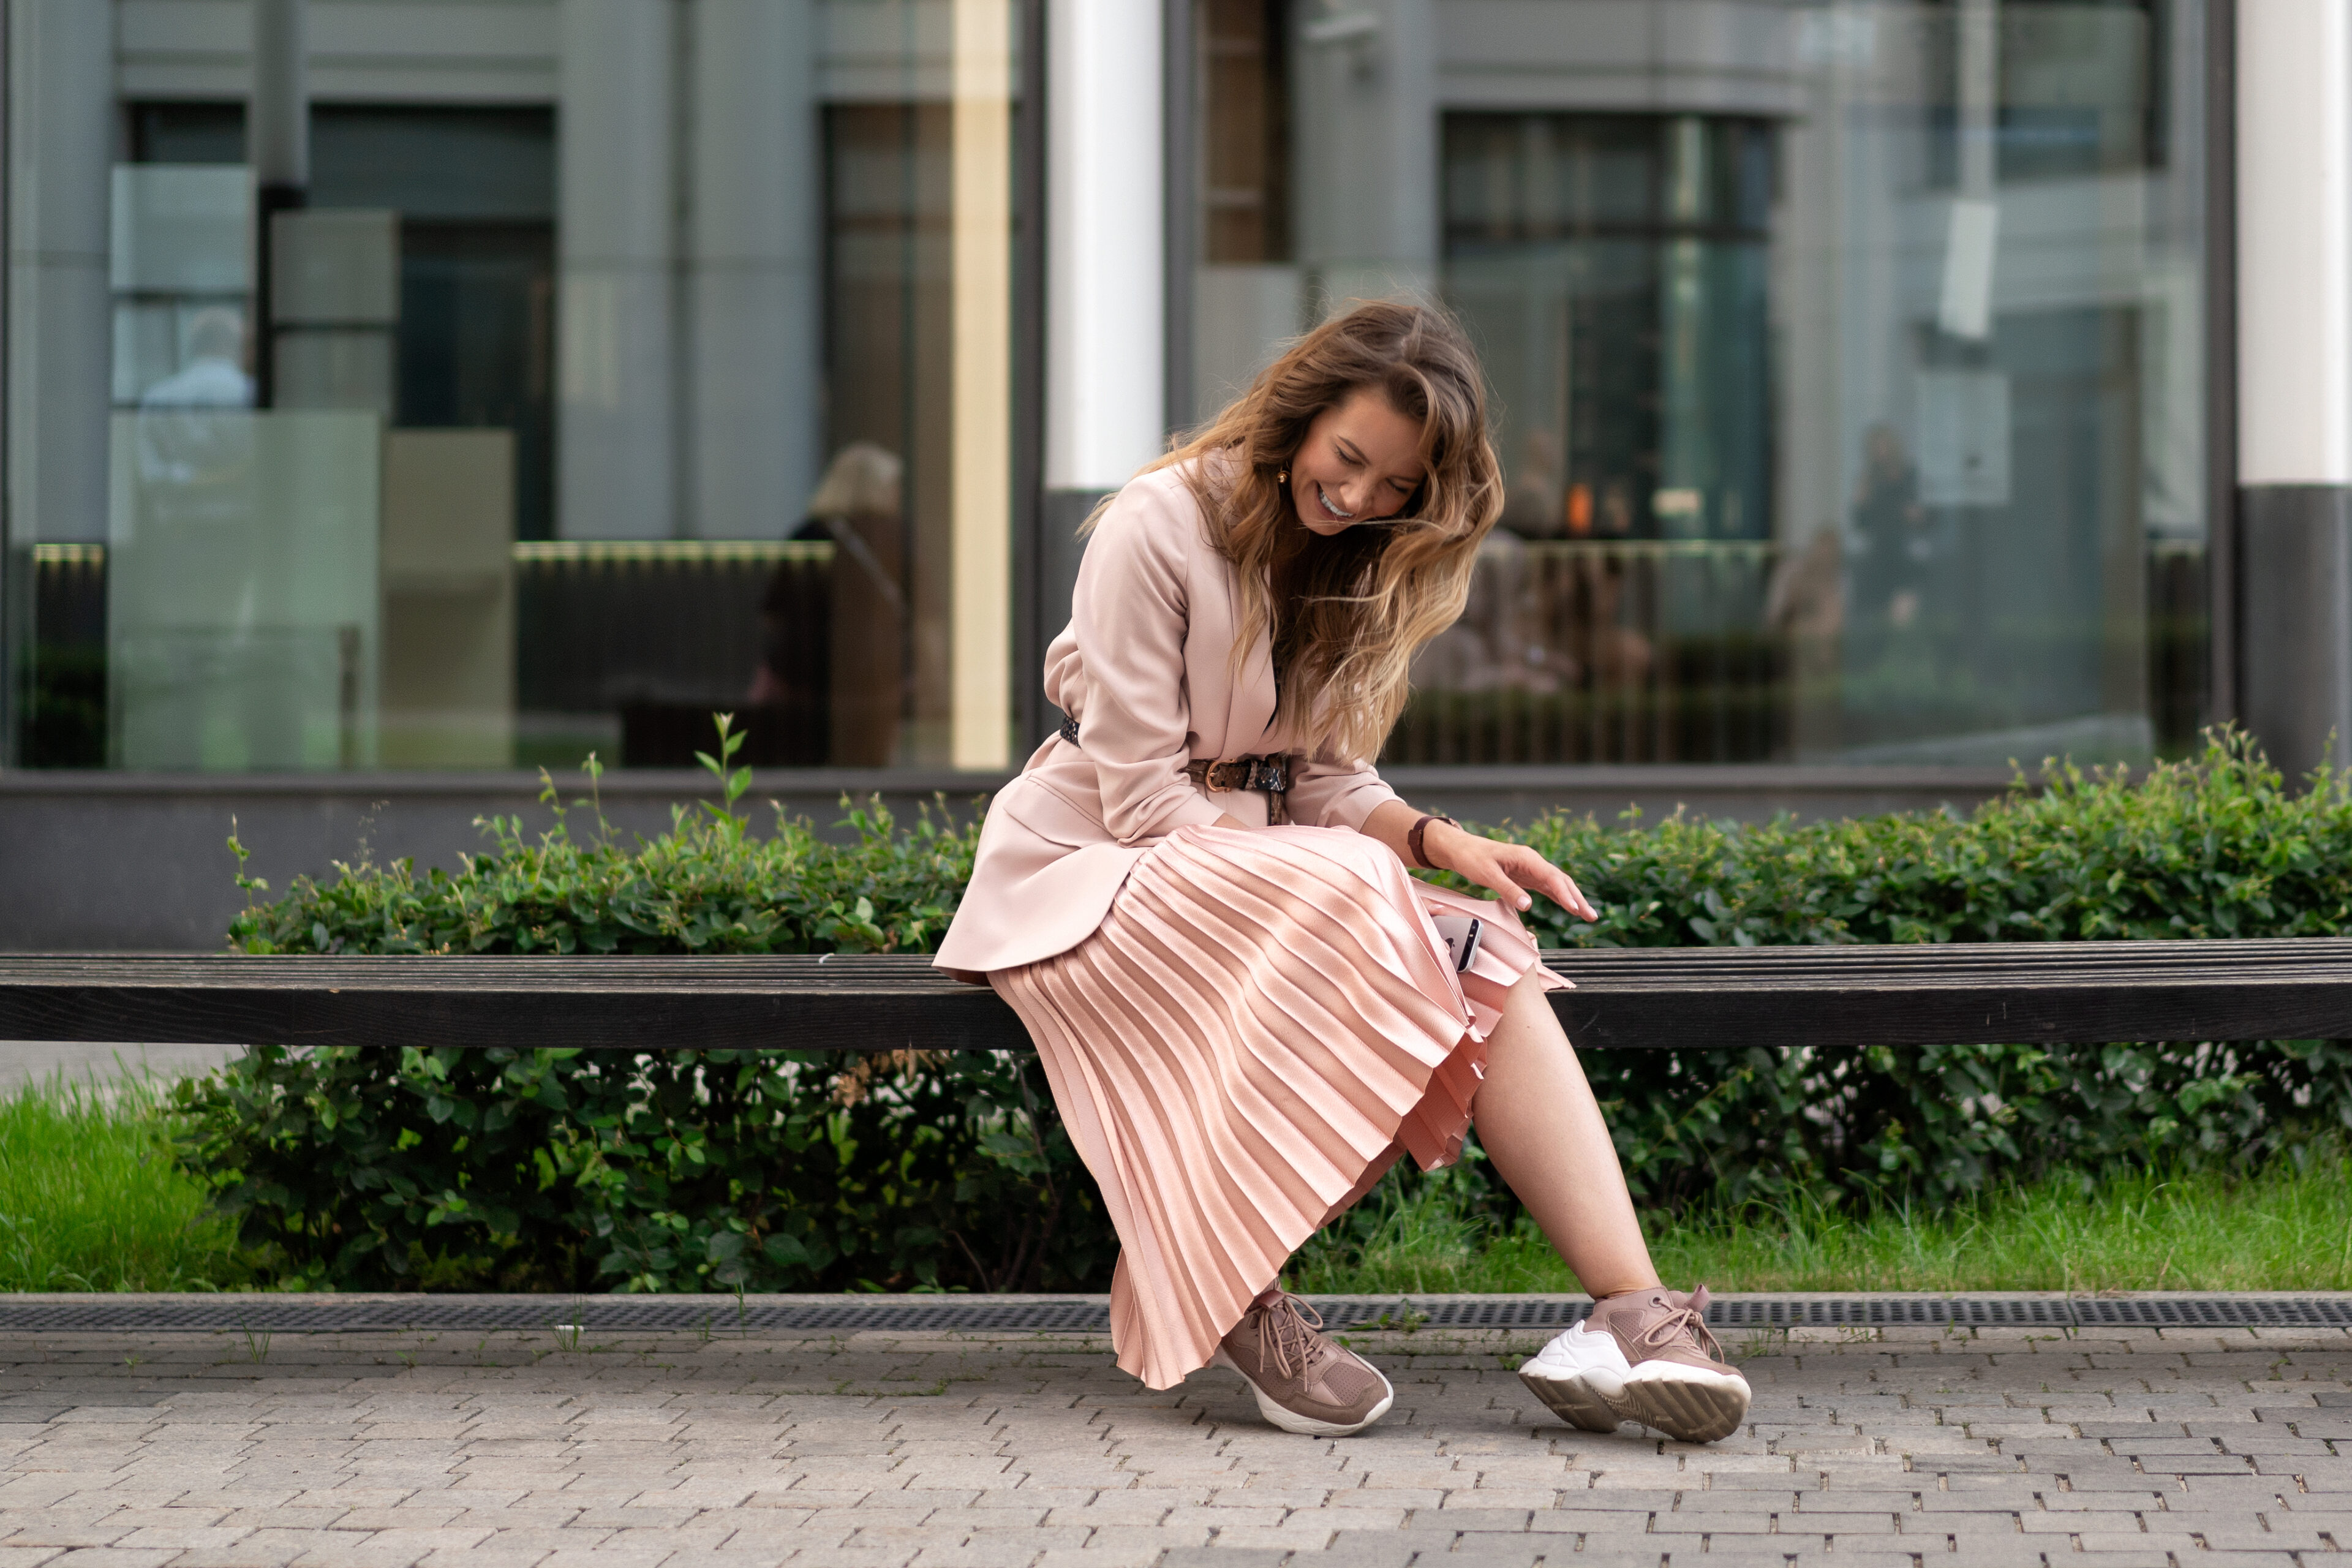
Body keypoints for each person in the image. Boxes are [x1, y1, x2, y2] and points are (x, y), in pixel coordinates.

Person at [933, 301, 1747, 1444]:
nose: (1362, 498)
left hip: (1257, 870)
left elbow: (1319, 777)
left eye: (1397, 486)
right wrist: (1351, 882)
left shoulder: (1356, 558)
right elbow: (1147, 801)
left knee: (1491, 951)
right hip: (1095, 871)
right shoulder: (1155, 526)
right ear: (1300, 414)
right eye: (1349, 460)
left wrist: (1432, 843)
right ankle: (1228, 1285)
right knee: (1374, 909)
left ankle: (1628, 1316)